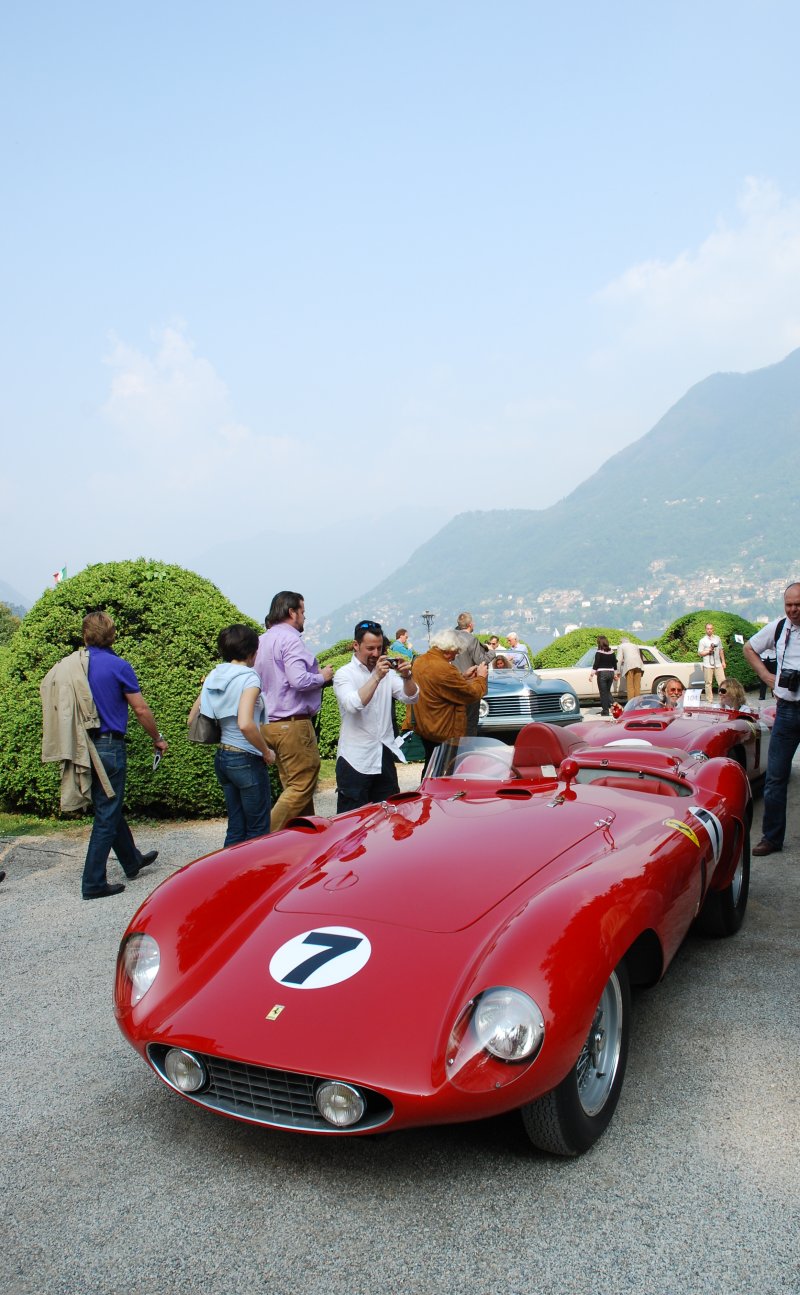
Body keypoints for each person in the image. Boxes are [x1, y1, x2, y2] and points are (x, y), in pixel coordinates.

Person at [68, 612, 167, 899]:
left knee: (107, 806)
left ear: (85, 635)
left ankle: (131, 859)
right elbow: (140, 709)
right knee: (107, 812)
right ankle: (93, 882)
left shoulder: (74, 666)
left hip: (82, 744)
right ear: (112, 635)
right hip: (109, 745)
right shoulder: (118, 666)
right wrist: (157, 739)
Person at [255, 591, 334, 832]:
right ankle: (262, 838)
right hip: (292, 722)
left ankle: (303, 839)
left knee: (293, 786)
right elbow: (299, 680)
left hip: (268, 723)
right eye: (302, 612)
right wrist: (323, 677)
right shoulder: (290, 640)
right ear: (292, 612)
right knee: (301, 785)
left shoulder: (261, 640)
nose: (304, 618)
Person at [194, 625, 275, 847]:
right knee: (258, 830)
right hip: (246, 758)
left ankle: (229, 877)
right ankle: (254, 880)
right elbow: (246, 724)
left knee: (236, 827)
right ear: (252, 652)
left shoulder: (214, 674)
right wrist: (266, 752)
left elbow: (193, 717)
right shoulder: (249, 678)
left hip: (223, 758)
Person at [333, 619, 419, 813]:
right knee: (351, 825)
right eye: (370, 648)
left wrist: (407, 677)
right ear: (356, 645)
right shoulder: (344, 674)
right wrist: (376, 677)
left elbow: (412, 697)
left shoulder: (387, 674)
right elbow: (353, 704)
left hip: (383, 754)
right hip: (355, 758)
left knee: (389, 820)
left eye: (379, 648)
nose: (376, 654)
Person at [744, 582, 800, 856]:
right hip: (787, 711)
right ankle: (772, 838)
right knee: (775, 777)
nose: (793, 610)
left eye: (798, 604)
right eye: (789, 604)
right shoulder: (780, 627)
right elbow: (749, 649)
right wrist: (768, 677)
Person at [411, 629, 488, 766]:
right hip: (443, 728)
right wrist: (481, 677)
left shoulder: (419, 661)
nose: (456, 655)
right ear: (448, 650)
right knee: (445, 768)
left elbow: (440, 687)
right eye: (456, 651)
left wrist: (462, 677)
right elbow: (469, 695)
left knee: (431, 766)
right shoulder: (445, 669)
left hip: (426, 726)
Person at [453, 612, 495, 735]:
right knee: (470, 721)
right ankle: (469, 748)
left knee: (457, 720)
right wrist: (491, 652)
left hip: (454, 683)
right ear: (471, 624)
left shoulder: (451, 638)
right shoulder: (472, 639)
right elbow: (480, 661)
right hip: (470, 684)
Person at [588, 635, 619, 716]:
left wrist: (591, 675)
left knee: (603, 693)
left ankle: (605, 711)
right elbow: (614, 664)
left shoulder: (598, 653)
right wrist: (615, 674)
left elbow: (596, 664)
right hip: (611, 673)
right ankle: (616, 708)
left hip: (602, 674)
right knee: (607, 692)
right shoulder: (612, 652)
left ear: (599, 643)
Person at [698, 622, 727, 703]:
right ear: (705, 630)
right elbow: (700, 653)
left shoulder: (717, 638)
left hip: (718, 664)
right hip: (707, 664)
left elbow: (721, 650)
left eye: (711, 629)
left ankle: (724, 699)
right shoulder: (702, 640)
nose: (709, 630)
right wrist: (708, 652)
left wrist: (723, 661)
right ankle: (709, 700)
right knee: (708, 683)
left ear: (713, 629)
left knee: (722, 682)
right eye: (708, 629)